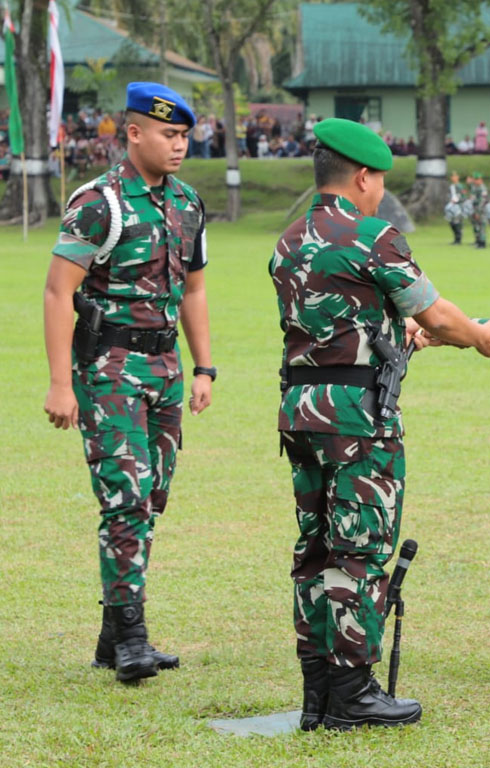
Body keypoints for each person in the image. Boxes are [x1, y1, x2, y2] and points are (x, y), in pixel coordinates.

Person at [269, 118, 490, 731]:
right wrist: (479, 336)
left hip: (301, 411)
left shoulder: (289, 238)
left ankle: (317, 693)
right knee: (360, 551)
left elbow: (337, 324)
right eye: (378, 180)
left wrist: (393, 334)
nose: (379, 191)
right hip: (357, 418)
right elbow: (439, 315)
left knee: (314, 551)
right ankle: (355, 694)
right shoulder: (375, 236)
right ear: (363, 176)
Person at [42, 82, 213, 684]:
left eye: (185, 135)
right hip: (109, 368)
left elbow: (193, 290)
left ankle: (112, 637)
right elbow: (58, 290)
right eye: (168, 134)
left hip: (164, 371)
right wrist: (61, 383)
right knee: (127, 498)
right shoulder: (99, 202)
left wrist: (204, 367)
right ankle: (133, 638)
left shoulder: (188, 203)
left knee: (150, 500)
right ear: (133, 133)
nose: (179, 145)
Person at [444, 171, 466, 244]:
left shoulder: (460, 186)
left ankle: (458, 239)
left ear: (458, 177)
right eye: (452, 176)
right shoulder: (452, 186)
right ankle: (455, 238)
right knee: (452, 222)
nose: (453, 178)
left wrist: (457, 201)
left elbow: (463, 197)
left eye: (455, 176)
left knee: (458, 223)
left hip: (458, 207)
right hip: (452, 206)